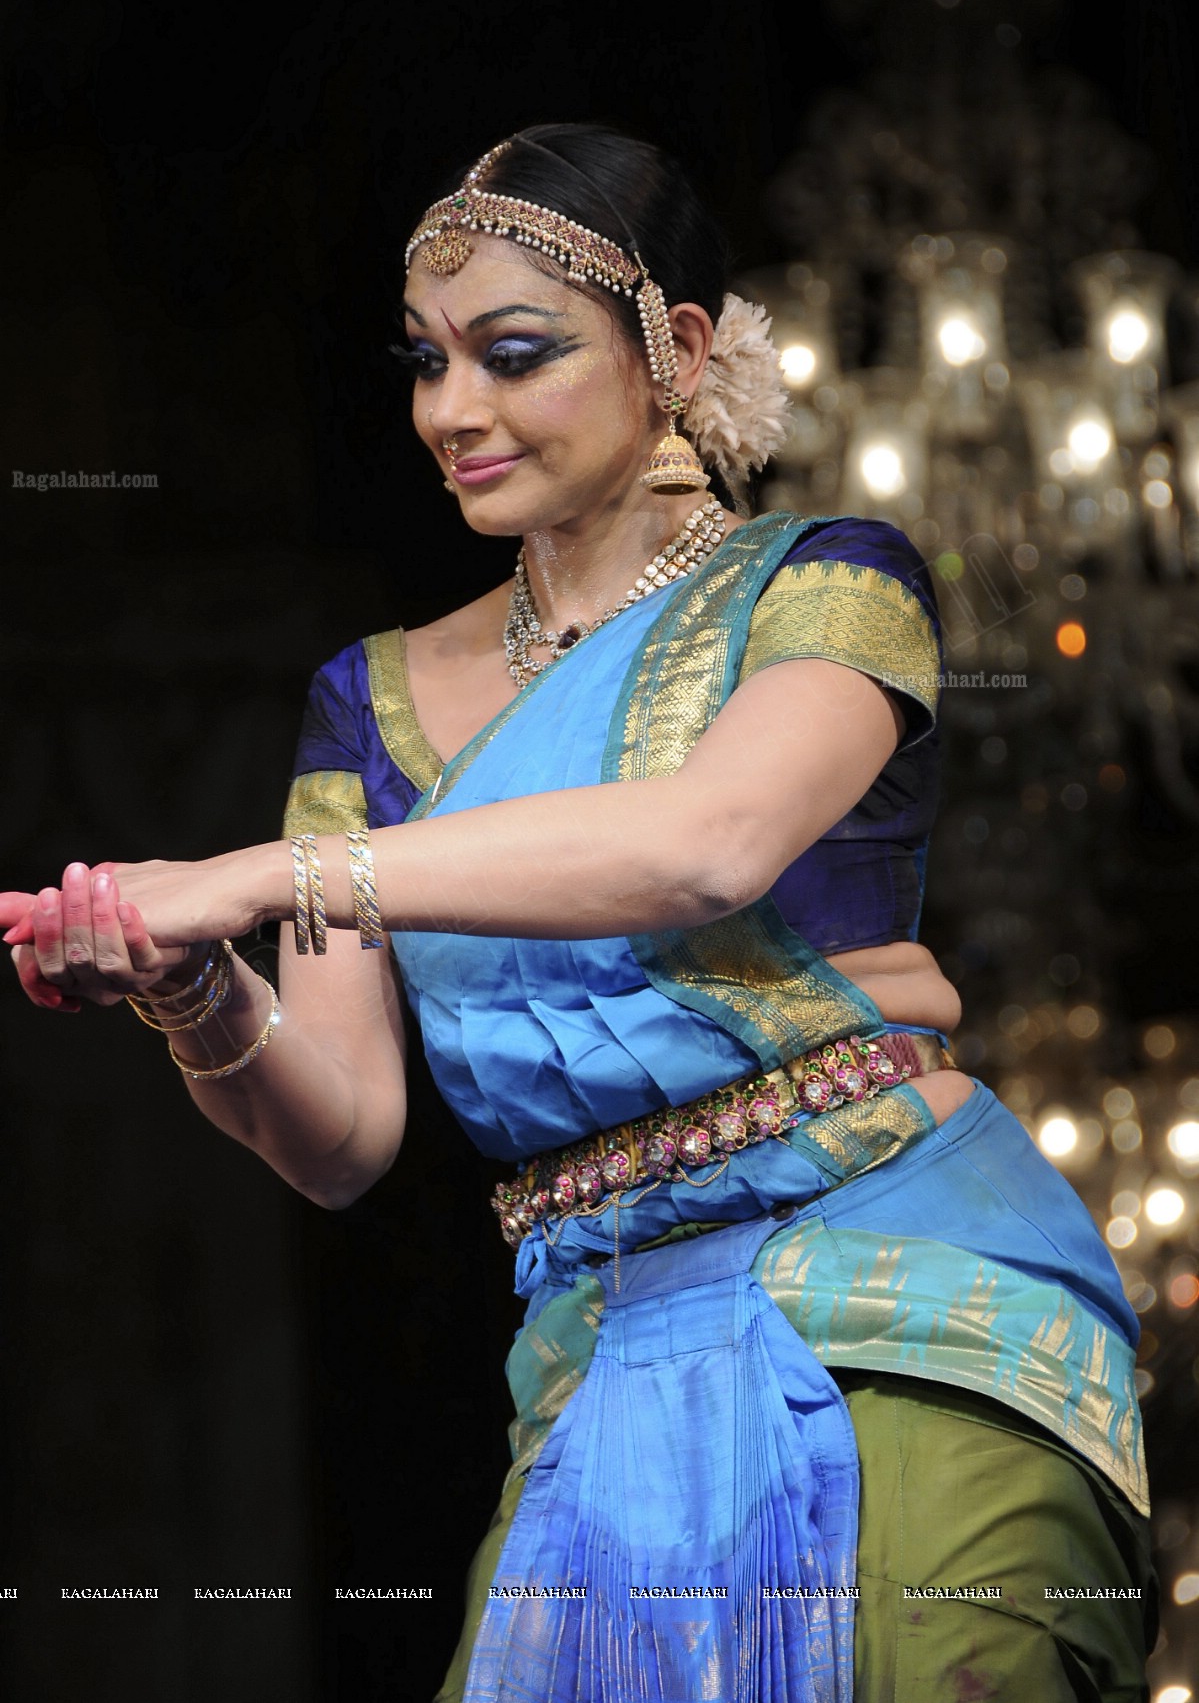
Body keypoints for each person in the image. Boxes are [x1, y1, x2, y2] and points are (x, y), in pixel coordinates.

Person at [4, 125, 1154, 1701]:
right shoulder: (375, 702)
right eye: (425, 363)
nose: (450, 411)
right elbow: (340, 1133)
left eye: (514, 354)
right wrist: (187, 983)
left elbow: (710, 844)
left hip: (895, 1300)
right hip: (597, 1356)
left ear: (674, 346)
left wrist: (261, 877)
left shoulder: (825, 584)